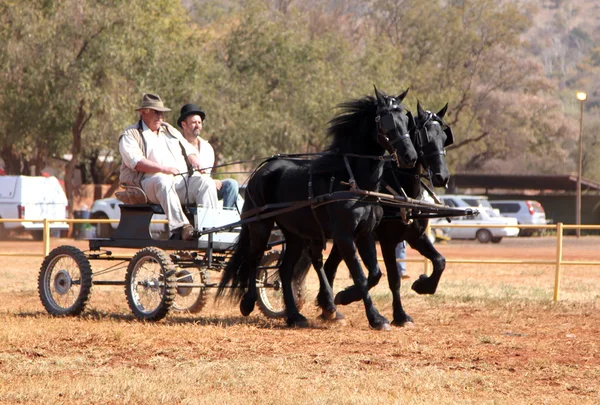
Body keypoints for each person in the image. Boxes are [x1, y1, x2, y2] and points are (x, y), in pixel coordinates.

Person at [119, 93, 218, 241]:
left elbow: (188, 149)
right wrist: (163, 169)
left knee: (206, 183)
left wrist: (196, 161)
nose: (160, 117)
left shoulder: (168, 129)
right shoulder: (131, 134)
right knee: (163, 180)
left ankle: (210, 231)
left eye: (162, 113)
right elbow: (136, 162)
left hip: (180, 183)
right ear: (143, 112)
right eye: (156, 112)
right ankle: (182, 227)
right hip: (148, 186)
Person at [177, 103, 239, 209]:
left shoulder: (207, 147)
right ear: (184, 125)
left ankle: (228, 221)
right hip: (185, 189)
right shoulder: (176, 145)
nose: (197, 125)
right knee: (207, 184)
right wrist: (210, 181)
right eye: (193, 122)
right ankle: (211, 221)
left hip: (206, 186)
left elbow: (207, 173)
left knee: (231, 185)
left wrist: (211, 181)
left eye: (199, 122)